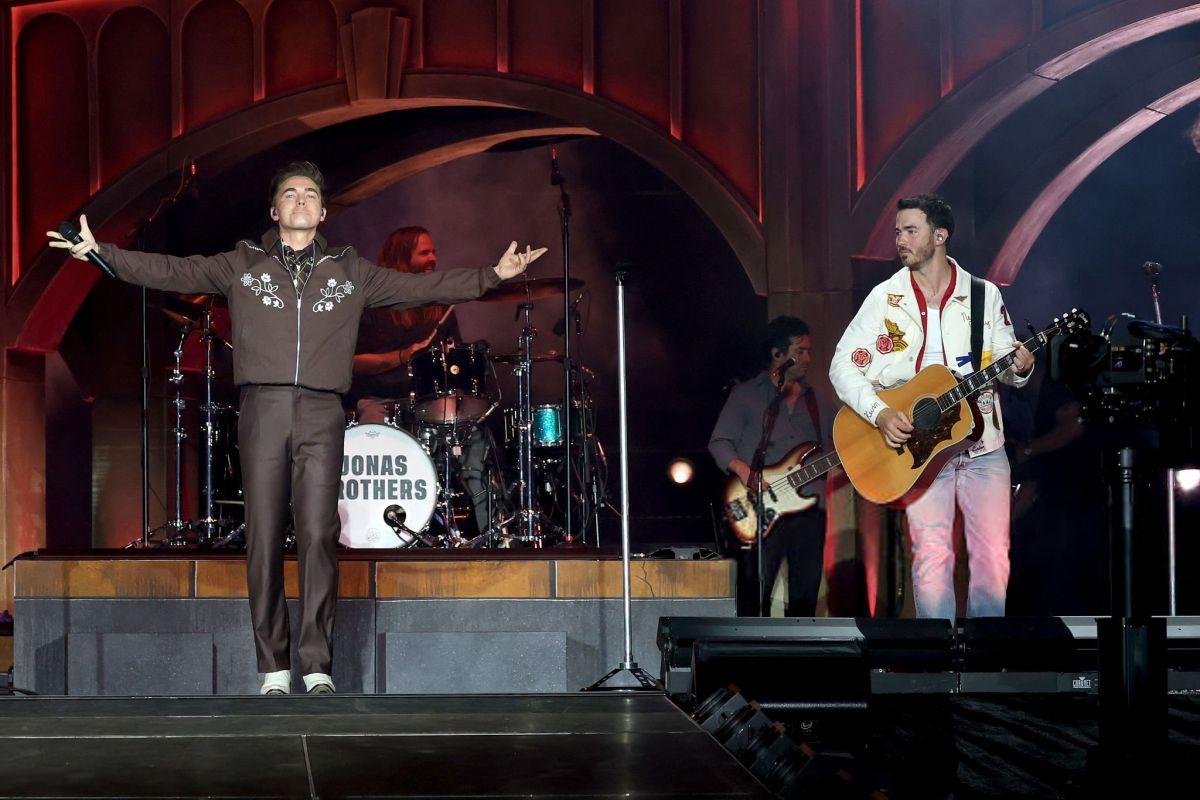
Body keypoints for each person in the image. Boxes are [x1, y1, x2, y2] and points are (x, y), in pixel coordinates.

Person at [47, 161, 546, 694]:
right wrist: (100, 254)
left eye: (310, 193)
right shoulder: (242, 264)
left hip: (322, 411)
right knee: (262, 535)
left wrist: (493, 275)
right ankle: (273, 667)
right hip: (262, 408)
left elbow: (421, 287)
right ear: (274, 209)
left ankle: (315, 665)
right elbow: (172, 271)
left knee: (317, 535)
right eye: (290, 193)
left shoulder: (350, 271)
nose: (301, 200)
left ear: (323, 211)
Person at [829, 193, 1034, 620]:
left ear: (940, 236)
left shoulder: (983, 295)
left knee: (993, 556)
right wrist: (879, 413)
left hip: (983, 444)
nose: (900, 240)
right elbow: (842, 366)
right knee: (931, 555)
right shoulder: (885, 298)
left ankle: (985, 651)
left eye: (910, 230)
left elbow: (1006, 363)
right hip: (919, 453)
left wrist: (1022, 367)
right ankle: (939, 653)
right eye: (897, 232)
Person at [709, 316, 832, 617]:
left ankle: (799, 646)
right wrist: (746, 472)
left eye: (809, 350)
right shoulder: (746, 395)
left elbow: (841, 443)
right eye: (800, 351)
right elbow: (719, 443)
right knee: (754, 598)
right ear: (778, 354)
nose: (808, 358)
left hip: (809, 512)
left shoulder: (818, 402)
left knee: (805, 597)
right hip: (761, 508)